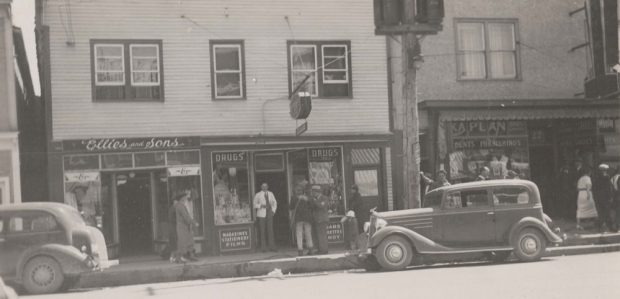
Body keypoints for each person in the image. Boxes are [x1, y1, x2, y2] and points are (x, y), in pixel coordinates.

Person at [289, 187, 314, 256]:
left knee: (299, 234)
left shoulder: (294, 198)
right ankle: (310, 249)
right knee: (308, 233)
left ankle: (300, 250)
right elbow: (312, 206)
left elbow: (290, 207)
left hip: (298, 218)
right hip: (307, 218)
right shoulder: (307, 198)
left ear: (296, 191)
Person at [174, 191, 198, 263]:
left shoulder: (180, 205)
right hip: (182, 226)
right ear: (182, 199)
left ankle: (191, 256)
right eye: (185, 197)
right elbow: (186, 217)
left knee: (189, 241)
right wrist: (194, 223)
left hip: (185, 226)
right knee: (182, 242)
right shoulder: (180, 206)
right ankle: (178, 258)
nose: (186, 199)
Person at [253, 183, 278, 252]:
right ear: (261, 187)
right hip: (261, 214)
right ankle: (263, 248)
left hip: (269, 213)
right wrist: (261, 205)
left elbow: (274, 203)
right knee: (262, 231)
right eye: (263, 186)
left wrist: (273, 211)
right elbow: (254, 204)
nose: (264, 187)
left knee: (270, 230)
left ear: (267, 187)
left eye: (266, 186)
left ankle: (272, 246)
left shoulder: (270, 194)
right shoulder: (258, 194)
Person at [592, 164, 613, 232]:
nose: (605, 171)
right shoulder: (607, 178)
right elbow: (609, 189)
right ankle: (609, 227)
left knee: (601, 212)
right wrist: (610, 197)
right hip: (606, 198)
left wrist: (595, 197)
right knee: (606, 212)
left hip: (599, 198)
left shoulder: (596, 178)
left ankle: (600, 226)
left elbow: (594, 189)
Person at [311, 185, 329, 254]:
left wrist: (315, 201)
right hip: (316, 219)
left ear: (317, 192)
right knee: (317, 235)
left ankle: (324, 249)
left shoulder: (324, 198)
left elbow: (321, 206)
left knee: (322, 235)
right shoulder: (314, 199)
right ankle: (319, 249)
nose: (313, 194)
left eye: (314, 192)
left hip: (322, 219)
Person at [161, 194, 180, 261]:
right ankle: (172, 257)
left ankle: (170, 256)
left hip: (172, 227)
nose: (178, 203)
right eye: (177, 201)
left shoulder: (172, 208)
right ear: (174, 201)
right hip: (173, 227)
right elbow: (173, 218)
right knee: (175, 242)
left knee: (173, 242)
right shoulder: (174, 208)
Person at [610, 167, 620, 232]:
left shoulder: (612, 178)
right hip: (619, 195)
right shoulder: (619, 177)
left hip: (614, 196)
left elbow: (610, 188)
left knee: (615, 211)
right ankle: (618, 226)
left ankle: (614, 226)